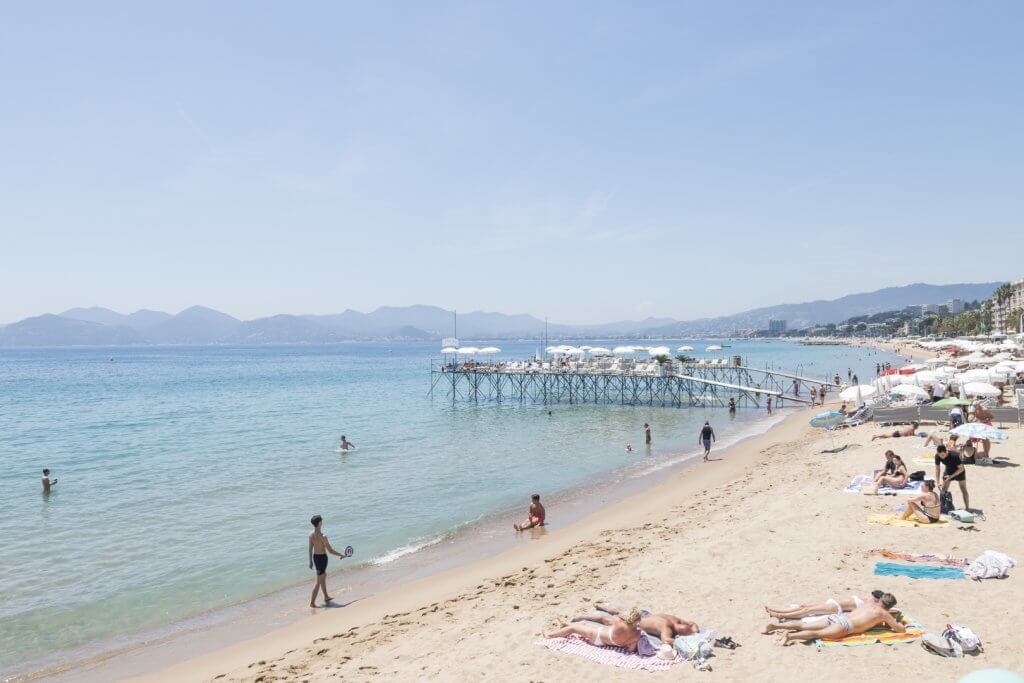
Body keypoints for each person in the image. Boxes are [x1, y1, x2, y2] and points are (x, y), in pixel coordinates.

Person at [764, 593, 904, 645]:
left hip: (839, 616)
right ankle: (789, 636)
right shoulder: (884, 614)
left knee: (803, 625)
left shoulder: (868, 602)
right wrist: (900, 623)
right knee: (816, 634)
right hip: (846, 625)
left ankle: (775, 627)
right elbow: (900, 630)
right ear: (889, 606)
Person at [593, 602, 699, 644]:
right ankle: (593, 615)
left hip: (645, 615)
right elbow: (666, 640)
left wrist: (695, 632)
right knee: (608, 621)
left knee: (618, 612)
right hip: (637, 622)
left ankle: (600, 605)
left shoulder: (676, 620)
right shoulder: (667, 629)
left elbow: (693, 624)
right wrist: (681, 641)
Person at [545, 607, 644, 651]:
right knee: (583, 627)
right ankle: (565, 623)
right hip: (606, 643)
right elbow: (630, 650)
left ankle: (550, 635)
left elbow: (617, 617)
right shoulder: (637, 634)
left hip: (597, 636)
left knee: (573, 628)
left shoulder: (621, 624)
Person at [308, 514, 349, 608]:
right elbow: (330, 550)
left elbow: (310, 549)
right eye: (321, 521)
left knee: (323, 576)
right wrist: (341, 555)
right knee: (318, 581)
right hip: (322, 559)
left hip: (315, 558)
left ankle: (326, 597)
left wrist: (310, 561)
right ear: (319, 523)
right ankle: (312, 603)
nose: (322, 522)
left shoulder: (310, 535)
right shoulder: (323, 536)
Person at [764, 591, 887, 621]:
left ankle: (780, 615)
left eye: (873, 596)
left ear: (876, 599)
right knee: (803, 606)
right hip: (832, 602)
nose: (871, 596)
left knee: (807, 611)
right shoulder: (865, 600)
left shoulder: (869, 605)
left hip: (836, 607)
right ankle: (779, 610)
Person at [934, 445, 970, 511]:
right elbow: (937, 469)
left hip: (959, 471)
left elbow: (961, 468)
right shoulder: (937, 456)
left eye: (943, 455)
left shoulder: (954, 455)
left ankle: (967, 508)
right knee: (943, 490)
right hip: (949, 470)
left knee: (963, 489)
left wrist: (950, 476)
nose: (942, 457)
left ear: (946, 452)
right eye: (940, 455)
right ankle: (942, 507)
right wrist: (938, 482)